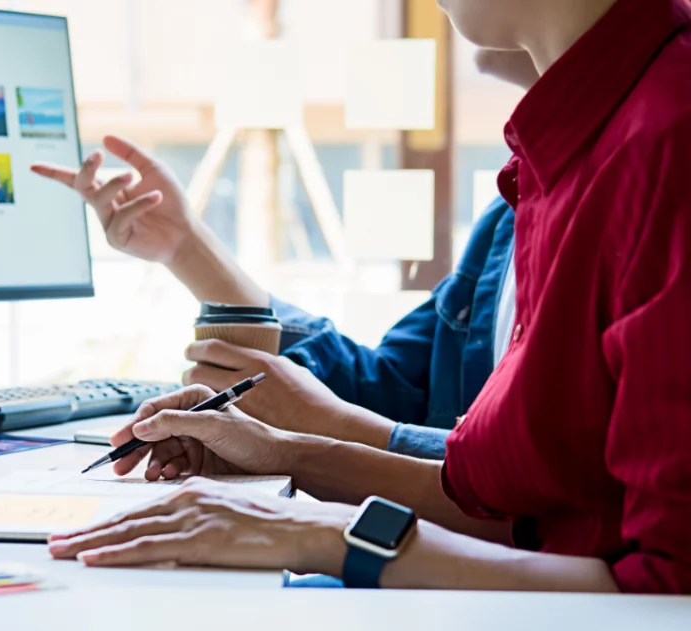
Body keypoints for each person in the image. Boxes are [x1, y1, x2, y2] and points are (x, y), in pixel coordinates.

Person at [47, 0, 691, 595]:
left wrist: (324, 533)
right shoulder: (545, 179)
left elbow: (663, 581)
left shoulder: (665, 141)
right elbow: (519, 498)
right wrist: (283, 454)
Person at [33, 50, 537, 463]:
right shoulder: (510, 208)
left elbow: (538, 485)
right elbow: (388, 389)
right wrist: (184, 246)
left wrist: (317, 431)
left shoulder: (603, 195)